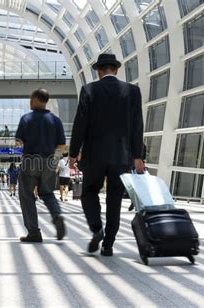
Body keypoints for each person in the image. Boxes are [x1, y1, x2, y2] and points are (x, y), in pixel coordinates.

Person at [69, 53, 144, 257]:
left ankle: (96, 228)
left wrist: (73, 153)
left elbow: (80, 124)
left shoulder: (89, 90)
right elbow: (137, 126)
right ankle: (108, 244)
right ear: (117, 69)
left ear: (98, 71)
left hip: (94, 155)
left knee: (89, 192)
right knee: (114, 199)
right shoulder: (132, 91)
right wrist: (138, 155)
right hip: (122, 155)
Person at [15, 88, 67, 242]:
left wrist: (21, 148)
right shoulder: (55, 120)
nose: (30, 102)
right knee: (47, 193)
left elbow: (18, 143)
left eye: (31, 99)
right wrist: (54, 162)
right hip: (49, 160)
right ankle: (57, 216)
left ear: (37, 100)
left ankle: (34, 232)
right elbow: (61, 145)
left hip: (30, 160)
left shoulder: (26, 119)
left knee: (27, 196)